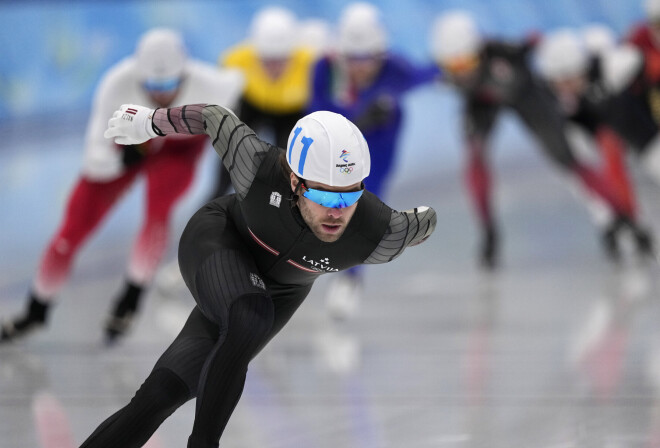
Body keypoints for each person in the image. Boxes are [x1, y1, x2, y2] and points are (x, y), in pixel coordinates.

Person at [51, 101, 436, 448]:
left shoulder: (379, 233)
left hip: (281, 291)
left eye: (350, 195)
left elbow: (423, 221)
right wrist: (152, 121)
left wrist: (426, 220)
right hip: (220, 241)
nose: (336, 211)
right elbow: (214, 117)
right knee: (250, 316)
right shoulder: (258, 167)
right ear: (293, 180)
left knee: (158, 398)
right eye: (322, 194)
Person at [0, 29, 244, 343]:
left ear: (185, 74)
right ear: (137, 76)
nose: (160, 94)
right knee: (71, 230)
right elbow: (93, 159)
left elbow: (241, 81)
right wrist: (121, 161)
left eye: (169, 85)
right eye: (151, 86)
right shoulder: (117, 84)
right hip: (129, 142)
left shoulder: (212, 85)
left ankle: (130, 297)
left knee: (158, 211)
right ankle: (36, 308)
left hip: (178, 151)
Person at [430, 11, 645, 268]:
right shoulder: (454, 77)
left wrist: (542, 47)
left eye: (465, 63)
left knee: (568, 161)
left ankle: (626, 218)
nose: (461, 73)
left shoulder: (505, 53)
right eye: (453, 67)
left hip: (529, 99)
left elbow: (535, 45)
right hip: (482, 104)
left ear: (480, 49)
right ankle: (488, 231)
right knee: (474, 160)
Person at [309, 2, 440, 319]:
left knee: (362, 205)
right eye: (353, 58)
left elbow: (430, 73)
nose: (361, 66)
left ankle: (350, 279)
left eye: (368, 58)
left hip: (380, 145)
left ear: (380, 53)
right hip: (336, 139)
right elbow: (315, 111)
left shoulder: (394, 68)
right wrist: (359, 117)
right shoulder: (324, 69)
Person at [535, 28, 655, 259]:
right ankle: (614, 221)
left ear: (584, 66)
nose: (567, 87)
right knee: (582, 169)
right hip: (589, 130)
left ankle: (627, 219)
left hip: (630, 123)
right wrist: (609, 219)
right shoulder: (546, 90)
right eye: (559, 82)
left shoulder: (613, 64)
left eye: (572, 78)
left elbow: (645, 62)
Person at [209, 6, 317, 200]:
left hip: (291, 113)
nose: (274, 67)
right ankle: (211, 203)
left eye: (282, 60)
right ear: (255, 54)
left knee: (289, 167)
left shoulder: (311, 62)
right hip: (254, 105)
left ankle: (287, 212)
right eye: (267, 60)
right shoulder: (235, 60)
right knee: (231, 153)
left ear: (294, 53)